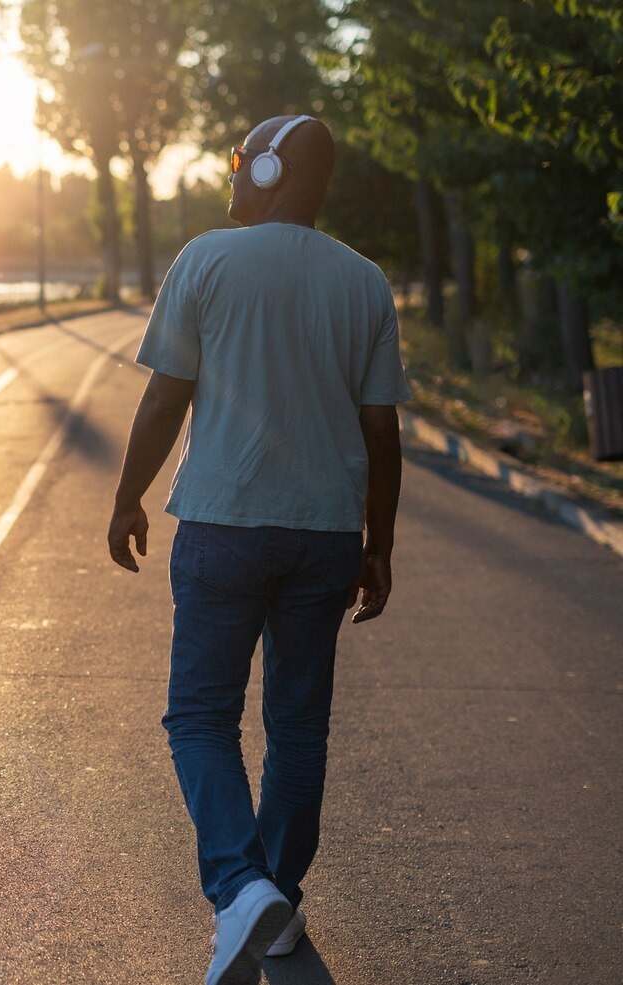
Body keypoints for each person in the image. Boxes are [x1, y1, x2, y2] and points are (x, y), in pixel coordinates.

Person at [106, 114, 409, 985]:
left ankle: (240, 884)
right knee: (297, 728)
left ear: (271, 170)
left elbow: (167, 399)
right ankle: (274, 901)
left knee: (199, 716)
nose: (230, 178)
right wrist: (377, 546)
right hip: (323, 534)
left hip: (224, 522)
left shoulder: (206, 259)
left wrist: (128, 494)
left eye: (239, 162)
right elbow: (379, 433)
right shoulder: (364, 282)